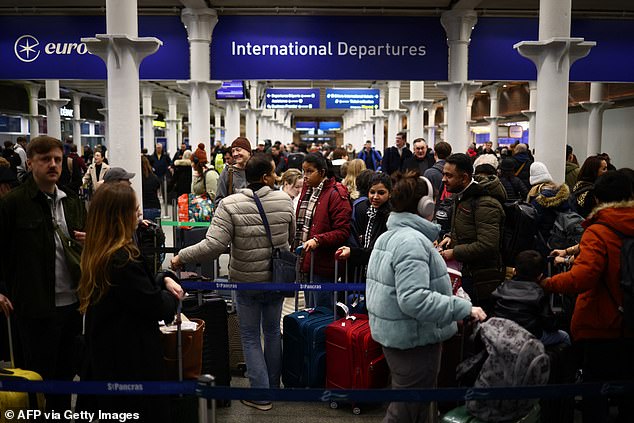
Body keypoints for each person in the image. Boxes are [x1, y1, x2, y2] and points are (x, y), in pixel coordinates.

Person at [171, 154, 295, 411]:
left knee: (250, 336)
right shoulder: (285, 200)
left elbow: (213, 245)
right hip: (277, 279)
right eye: (273, 173)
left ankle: (261, 396)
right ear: (264, 177)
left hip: (246, 282)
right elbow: (291, 238)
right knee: (272, 332)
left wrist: (181, 256)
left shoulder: (229, 204)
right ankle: (274, 387)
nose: (276, 177)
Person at [366, 171, 487, 423]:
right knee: (405, 410)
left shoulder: (389, 237)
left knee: (414, 407)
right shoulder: (411, 242)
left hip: (399, 335)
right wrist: (462, 308)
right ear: (426, 205)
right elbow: (414, 299)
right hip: (414, 339)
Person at [78, 182, 183, 422]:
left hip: (108, 354)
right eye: (135, 210)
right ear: (120, 216)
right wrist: (172, 295)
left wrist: (163, 278)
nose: (139, 215)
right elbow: (153, 305)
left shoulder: (99, 252)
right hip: (130, 360)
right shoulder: (123, 259)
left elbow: (137, 290)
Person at [0, 135, 87, 414]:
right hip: (34, 307)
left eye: (58, 160)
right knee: (37, 380)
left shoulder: (71, 201)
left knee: (64, 380)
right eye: (45, 159)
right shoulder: (13, 204)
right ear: (30, 162)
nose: (53, 165)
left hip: (72, 307)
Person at [541, 170, 634, 422]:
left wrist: (548, 283)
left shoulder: (599, 230)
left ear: (597, 200)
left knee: (595, 392)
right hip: (630, 323)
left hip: (602, 325)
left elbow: (583, 277)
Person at [438, 153, 506, 311]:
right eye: (443, 174)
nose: (443, 179)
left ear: (464, 178)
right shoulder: (462, 196)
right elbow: (467, 228)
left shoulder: (485, 204)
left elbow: (488, 245)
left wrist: (454, 252)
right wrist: (450, 237)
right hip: (467, 272)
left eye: (449, 175)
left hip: (481, 279)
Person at [294, 153, 351, 309]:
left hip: (324, 264)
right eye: (303, 171)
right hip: (307, 262)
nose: (305, 176)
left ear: (322, 172)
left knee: (323, 313)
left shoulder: (336, 194)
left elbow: (343, 231)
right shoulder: (308, 191)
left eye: (309, 171)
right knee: (310, 310)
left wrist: (318, 240)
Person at [491, 250, 570, 346]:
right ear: (540, 276)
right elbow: (550, 324)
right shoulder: (539, 294)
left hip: (502, 333)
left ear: (515, 271)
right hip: (528, 336)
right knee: (565, 336)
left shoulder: (501, 288)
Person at [336, 172, 392, 281]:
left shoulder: (390, 217)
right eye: (372, 192)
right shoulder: (364, 209)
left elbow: (378, 252)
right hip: (365, 272)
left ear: (390, 193)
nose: (375, 197)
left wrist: (353, 252)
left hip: (382, 275)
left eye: (381, 193)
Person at [526, 162, 573, 255]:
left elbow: (533, 223)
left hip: (545, 243)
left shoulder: (538, 200)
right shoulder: (563, 195)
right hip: (564, 240)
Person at [215, 137, 252, 206]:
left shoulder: (257, 170)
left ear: (248, 152)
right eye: (233, 151)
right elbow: (219, 200)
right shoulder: (228, 172)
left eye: (238, 150)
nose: (235, 154)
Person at [140, 155, 161, 221]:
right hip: (155, 207)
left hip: (143, 207)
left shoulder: (138, 179)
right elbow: (158, 186)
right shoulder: (154, 177)